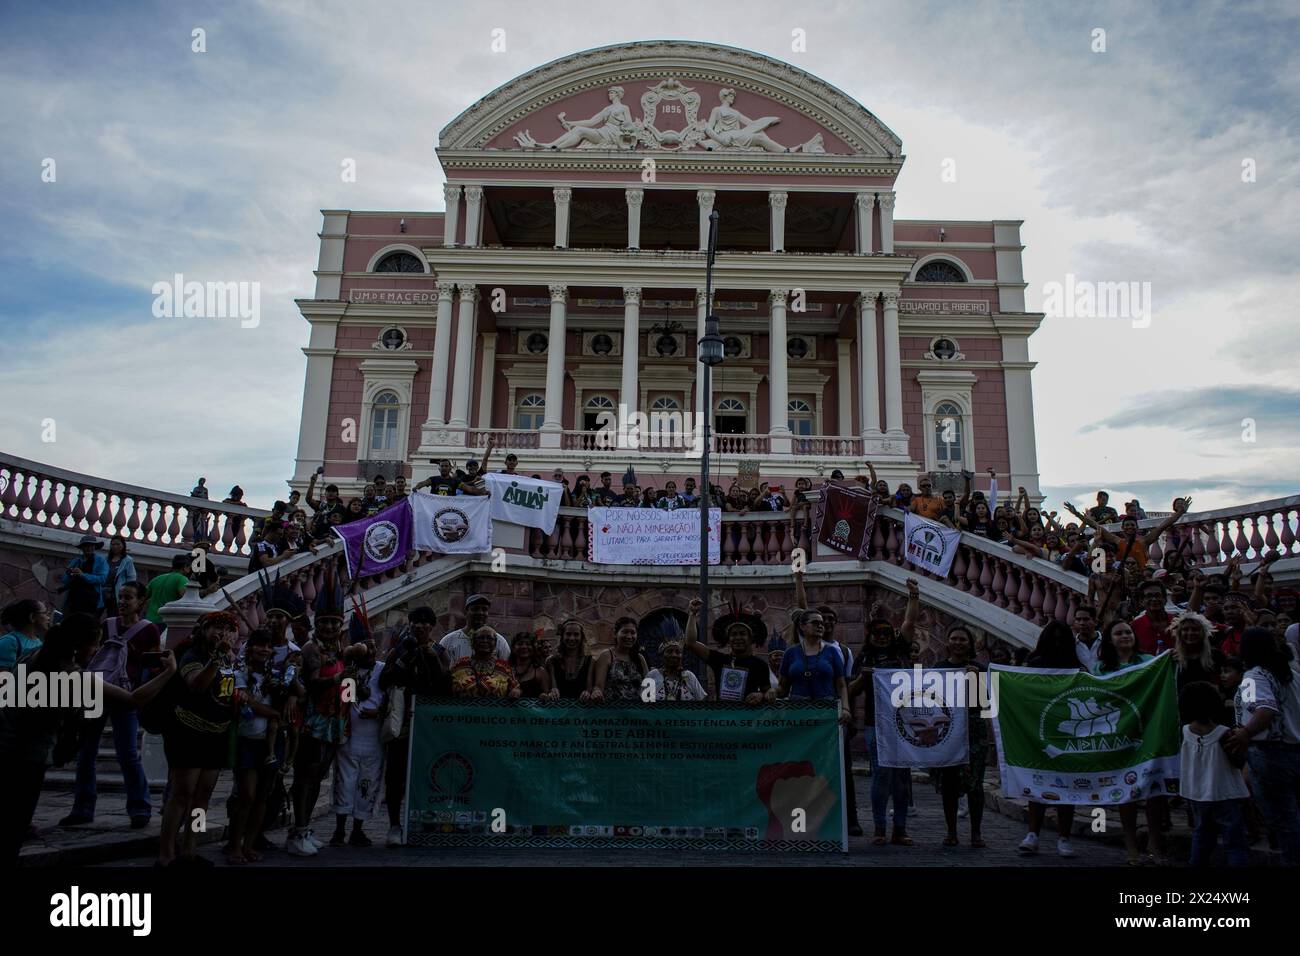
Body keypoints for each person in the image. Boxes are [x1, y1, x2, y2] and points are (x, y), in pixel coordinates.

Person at [1, 616, 176, 864]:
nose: (97, 651)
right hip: (30, 755)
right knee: (14, 827)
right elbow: (133, 699)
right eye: (95, 645)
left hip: (8, 745)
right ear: (79, 647)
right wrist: (169, 672)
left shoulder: (31, 657)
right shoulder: (73, 675)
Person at [61, 581, 161, 829]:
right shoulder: (107, 625)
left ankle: (139, 806)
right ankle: (83, 806)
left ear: (141, 602)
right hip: (98, 691)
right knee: (86, 752)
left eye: (129, 597)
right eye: (121, 597)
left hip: (125, 695)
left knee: (127, 753)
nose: (124, 602)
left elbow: (153, 663)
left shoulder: (148, 630)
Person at [156, 610, 240, 867]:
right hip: (188, 733)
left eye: (227, 629)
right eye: (216, 628)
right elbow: (197, 685)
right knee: (182, 793)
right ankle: (166, 852)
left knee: (203, 795)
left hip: (216, 733)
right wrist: (215, 659)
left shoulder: (230, 658)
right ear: (203, 630)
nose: (222, 634)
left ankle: (190, 848)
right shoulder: (192, 655)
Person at [849, 582, 918, 845]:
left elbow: (910, 623)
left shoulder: (900, 651)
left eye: (886, 632)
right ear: (869, 636)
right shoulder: (864, 658)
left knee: (902, 777)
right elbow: (851, 690)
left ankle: (900, 828)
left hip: (904, 723)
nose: (881, 636)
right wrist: (864, 678)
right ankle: (879, 827)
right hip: (874, 723)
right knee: (881, 775)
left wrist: (914, 595)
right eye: (876, 633)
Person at [1226, 627, 1300, 866]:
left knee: (1284, 820)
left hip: (1271, 752)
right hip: (1295, 748)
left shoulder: (1254, 676)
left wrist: (1245, 733)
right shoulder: (1292, 673)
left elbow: (1265, 710)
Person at [1093, 620, 1163, 865]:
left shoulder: (1149, 661)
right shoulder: (1100, 668)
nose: (1125, 636)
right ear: (1110, 640)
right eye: (1119, 633)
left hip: (1147, 732)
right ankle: (1131, 843)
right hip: (1118, 735)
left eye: (1128, 632)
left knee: (1154, 790)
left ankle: (1154, 840)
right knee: (1125, 791)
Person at [379, 607, 450, 846]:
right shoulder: (399, 648)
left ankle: (421, 822)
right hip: (402, 721)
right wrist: (402, 659)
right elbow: (383, 681)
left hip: (427, 724)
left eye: (425, 623)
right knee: (395, 774)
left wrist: (430, 658)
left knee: (426, 773)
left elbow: (445, 686)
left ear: (432, 626)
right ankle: (394, 825)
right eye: (415, 623)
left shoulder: (439, 651)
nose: (419, 627)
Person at [287, 591, 350, 857]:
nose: (329, 627)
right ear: (317, 624)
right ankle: (298, 831)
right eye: (324, 622)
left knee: (317, 778)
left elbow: (348, 688)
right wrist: (338, 681)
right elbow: (311, 684)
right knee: (306, 777)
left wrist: (352, 695)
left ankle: (305, 828)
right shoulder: (311, 649)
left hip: (335, 720)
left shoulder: (339, 650)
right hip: (314, 721)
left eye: (334, 622)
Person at [1017, 620, 1083, 858]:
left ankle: (1063, 837)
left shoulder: (1077, 668)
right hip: (1039, 732)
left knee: (1067, 788)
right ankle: (1032, 834)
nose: (1056, 643)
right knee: (1038, 785)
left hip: (1066, 734)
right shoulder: (1035, 665)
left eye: (1060, 639)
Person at [1179, 681, 1249, 867]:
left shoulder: (1185, 732)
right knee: (1234, 844)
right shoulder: (1224, 733)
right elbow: (1238, 761)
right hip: (1224, 794)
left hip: (1197, 795)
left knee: (1201, 836)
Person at [227, 629, 281, 864]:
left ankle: (249, 845)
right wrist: (274, 713)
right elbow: (245, 700)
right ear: (250, 648)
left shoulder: (276, 675)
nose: (265, 650)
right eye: (260, 645)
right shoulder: (238, 674)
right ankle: (235, 845)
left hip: (269, 740)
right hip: (246, 739)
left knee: (262, 796)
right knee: (246, 794)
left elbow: (295, 693)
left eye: (268, 646)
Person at [933, 624, 988, 848]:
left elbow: (986, 704)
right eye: (953, 638)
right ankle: (951, 831)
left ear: (970, 644)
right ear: (948, 642)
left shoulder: (980, 669)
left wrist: (976, 681)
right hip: (948, 731)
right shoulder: (938, 668)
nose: (957, 643)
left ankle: (976, 833)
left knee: (975, 784)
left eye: (962, 639)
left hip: (974, 731)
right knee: (949, 784)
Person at [330, 642, 385, 847]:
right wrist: (351, 680)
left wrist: (377, 712)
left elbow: (391, 698)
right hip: (350, 737)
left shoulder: (383, 669)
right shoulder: (349, 671)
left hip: (374, 739)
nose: (370, 652)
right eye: (365, 649)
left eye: (373, 649)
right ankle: (339, 830)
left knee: (367, 785)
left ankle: (357, 830)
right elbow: (346, 698)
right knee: (345, 783)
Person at [683, 600, 771, 702]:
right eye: (733, 634)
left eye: (742, 634)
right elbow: (691, 643)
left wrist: (761, 695)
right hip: (722, 716)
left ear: (751, 638)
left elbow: (768, 694)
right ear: (728, 639)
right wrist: (692, 614)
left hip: (748, 716)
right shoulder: (719, 660)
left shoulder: (761, 665)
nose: (738, 637)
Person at [450, 627, 522, 698]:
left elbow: (515, 687)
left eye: (489, 638)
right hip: (462, 709)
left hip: (495, 709)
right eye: (481, 638)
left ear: (495, 643)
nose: (485, 641)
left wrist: (515, 691)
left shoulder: (503, 666)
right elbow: (447, 685)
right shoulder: (460, 664)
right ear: (473, 642)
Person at [439, 594, 511, 661]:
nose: (480, 612)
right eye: (475, 609)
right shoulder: (449, 641)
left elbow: (507, 669)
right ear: (466, 611)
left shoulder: (499, 641)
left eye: (484, 609)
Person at [592, 617, 648, 702]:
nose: (629, 636)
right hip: (612, 711)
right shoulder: (606, 656)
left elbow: (648, 687)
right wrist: (596, 692)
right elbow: (599, 686)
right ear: (615, 634)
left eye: (633, 633)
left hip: (637, 712)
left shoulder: (640, 658)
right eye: (625, 632)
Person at [60, 534, 110, 616]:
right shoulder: (76, 561)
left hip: (91, 599)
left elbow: (102, 579)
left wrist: (83, 575)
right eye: (86, 546)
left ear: (94, 547)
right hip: (73, 599)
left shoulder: (101, 561)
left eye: (91, 546)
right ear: (82, 547)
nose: (88, 548)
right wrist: (69, 574)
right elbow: (64, 580)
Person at [547, 619, 594, 700]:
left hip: (581, 709)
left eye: (576, 634)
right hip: (557, 708)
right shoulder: (551, 661)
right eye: (568, 634)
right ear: (562, 636)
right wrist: (552, 691)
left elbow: (589, 689)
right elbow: (551, 687)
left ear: (581, 637)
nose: (572, 638)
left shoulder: (590, 661)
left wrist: (587, 693)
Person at [0, 599, 49, 670]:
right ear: (32, 617)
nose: (48, 617)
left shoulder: (39, 643)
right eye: (45, 613)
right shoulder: (10, 642)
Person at [145, 554, 192, 626]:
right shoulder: (182, 579)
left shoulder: (157, 579)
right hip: (166, 621)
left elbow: (142, 597)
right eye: (189, 567)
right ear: (185, 567)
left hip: (149, 620)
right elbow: (186, 599)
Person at [101, 535, 137, 618]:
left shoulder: (127, 560)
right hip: (103, 591)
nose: (115, 547)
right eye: (113, 544)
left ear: (123, 545)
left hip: (116, 593)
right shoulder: (106, 559)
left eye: (118, 544)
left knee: (113, 616)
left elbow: (131, 577)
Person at [509, 632, 553, 698]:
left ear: (534, 648)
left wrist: (544, 696)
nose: (524, 647)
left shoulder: (540, 672)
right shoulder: (505, 669)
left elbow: (547, 696)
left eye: (528, 644)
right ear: (513, 648)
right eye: (520, 644)